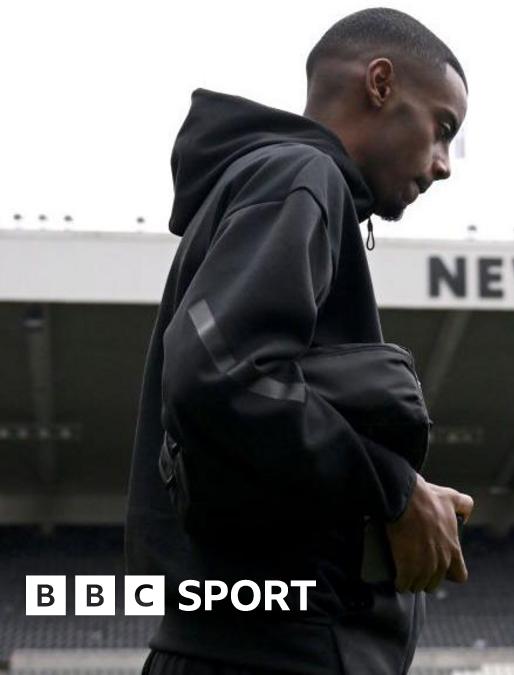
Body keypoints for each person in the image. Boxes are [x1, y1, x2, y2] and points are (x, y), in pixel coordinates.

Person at [124, 8, 473, 674]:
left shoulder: (277, 181)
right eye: (443, 128)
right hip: (268, 656)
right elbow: (221, 376)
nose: (444, 164)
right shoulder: (298, 176)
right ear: (379, 83)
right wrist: (393, 489)